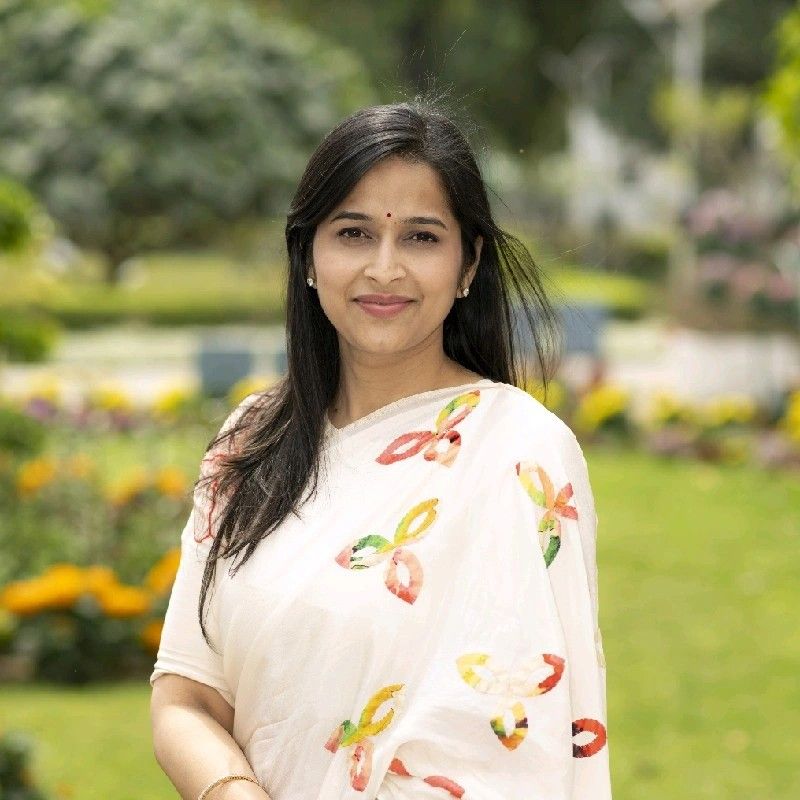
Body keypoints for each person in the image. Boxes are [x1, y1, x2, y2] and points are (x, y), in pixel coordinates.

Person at [149, 99, 612, 800]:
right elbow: (185, 698)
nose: (385, 268)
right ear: (308, 256)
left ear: (467, 263)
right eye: (354, 233)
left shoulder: (519, 453)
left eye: (421, 237)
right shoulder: (252, 440)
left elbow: (523, 742)